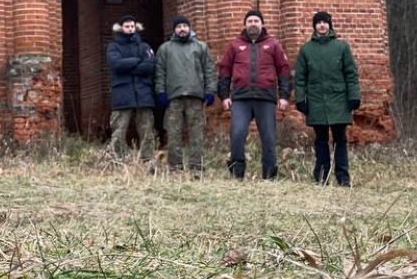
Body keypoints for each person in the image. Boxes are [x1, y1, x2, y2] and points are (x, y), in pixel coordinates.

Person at [218, 10, 292, 180]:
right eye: (250, 21)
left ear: (262, 24)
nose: (253, 23)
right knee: (237, 134)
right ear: (245, 24)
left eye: (256, 21)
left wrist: (284, 95)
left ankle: (269, 175)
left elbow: (284, 70)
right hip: (241, 99)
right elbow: (224, 70)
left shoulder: (273, 44)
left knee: (268, 137)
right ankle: (237, 172)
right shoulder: (235, 45)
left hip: (265, 98)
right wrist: (224, 96)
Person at [294, 11, 361, 187]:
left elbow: (351, 74)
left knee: (340, 140)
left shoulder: (342, 47)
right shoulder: (306, 50)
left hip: (339, 99)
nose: (322, 25)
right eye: (318, 23)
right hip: (316, 101)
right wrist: (301, 99)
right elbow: (300, 78)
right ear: (314, 26)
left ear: (330, 25)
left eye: (325, 22)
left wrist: (354, 96)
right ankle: (322, 175)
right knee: (321, 141)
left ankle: (343, 177)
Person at [154, 15, 216, 173]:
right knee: (173, 134)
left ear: (189, 28)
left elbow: (209, 70)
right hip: (173, 98)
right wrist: (160, 91)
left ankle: (197, 168)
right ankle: (175, 168)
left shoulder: (201, 47)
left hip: (195, 97)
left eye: (184, 26)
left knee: (196, 135)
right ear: (174, 30)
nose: (182, 29)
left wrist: (210, 91)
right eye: (179, 26)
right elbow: (160, 72)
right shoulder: (165, 48)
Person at [105, 15, 157, 161]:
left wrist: (129, 66)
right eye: (127, 26)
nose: (130, 29)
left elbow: (150, 66)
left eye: (132, 26)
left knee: (147, 129)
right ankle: (117, 160)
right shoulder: (113, 46)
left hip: (143, 93)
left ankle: (147, 160)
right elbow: (116, 64)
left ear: (136, 27)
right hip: (122, 94)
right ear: (121, 28)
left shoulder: (144, 46)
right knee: (119, 129)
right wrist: (137, 61)